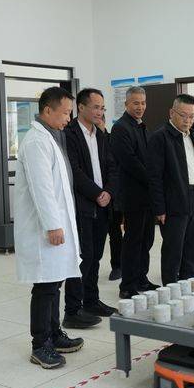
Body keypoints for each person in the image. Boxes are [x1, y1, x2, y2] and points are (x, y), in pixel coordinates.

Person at [14, 86, 84, 369]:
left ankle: (55, 334)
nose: (68, 118)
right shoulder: (35, 142)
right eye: (65, 113)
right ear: (47, 110)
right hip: (44, 229)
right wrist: (53, 225)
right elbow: (42, 188)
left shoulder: (51, 137)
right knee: (45, 286)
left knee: (55, 282)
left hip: (56, 226)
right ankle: (40, 344)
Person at [64, 88, 118, 326]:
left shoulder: (101, 135)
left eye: (102, 108)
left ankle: (91, 300)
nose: (100, 112)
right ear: (81, 107)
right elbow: (74, 171)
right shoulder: (69, 134)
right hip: (83, 205)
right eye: (96, 107)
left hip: (103, 205)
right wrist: (97, 194)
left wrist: (109, 192)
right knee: (82, 258)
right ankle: (72, 311)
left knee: (96, 256)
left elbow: (113, 167)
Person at [147, 94, 194, 285]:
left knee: (193, 245)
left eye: (192, 116)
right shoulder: (160, 137)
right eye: (183, 115)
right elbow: (154, 177)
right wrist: (159, 208)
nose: (188, 120)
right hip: (174, 200)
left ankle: (189, 282)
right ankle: (171, 286)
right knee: (173, 248)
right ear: (171, 113)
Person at [111, 86, 159, 299]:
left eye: (143, 103)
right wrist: (153, 179)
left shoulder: (142, 127)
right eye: (136, 103)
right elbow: (130, 161)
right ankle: (127, 285)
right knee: (133, 241)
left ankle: (141, 278)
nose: (140, 107)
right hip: (133, 196)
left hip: (147, 196)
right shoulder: (121, 128)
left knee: (146, 240)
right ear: (126, 104)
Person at [97, 114, 125, 280]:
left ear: (103, 122)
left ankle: (117, 266)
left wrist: (111, 190)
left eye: (99, 121)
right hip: (95, 195)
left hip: (113, 195)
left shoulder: (112, 140)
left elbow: (117, 168)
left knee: (115, 232)